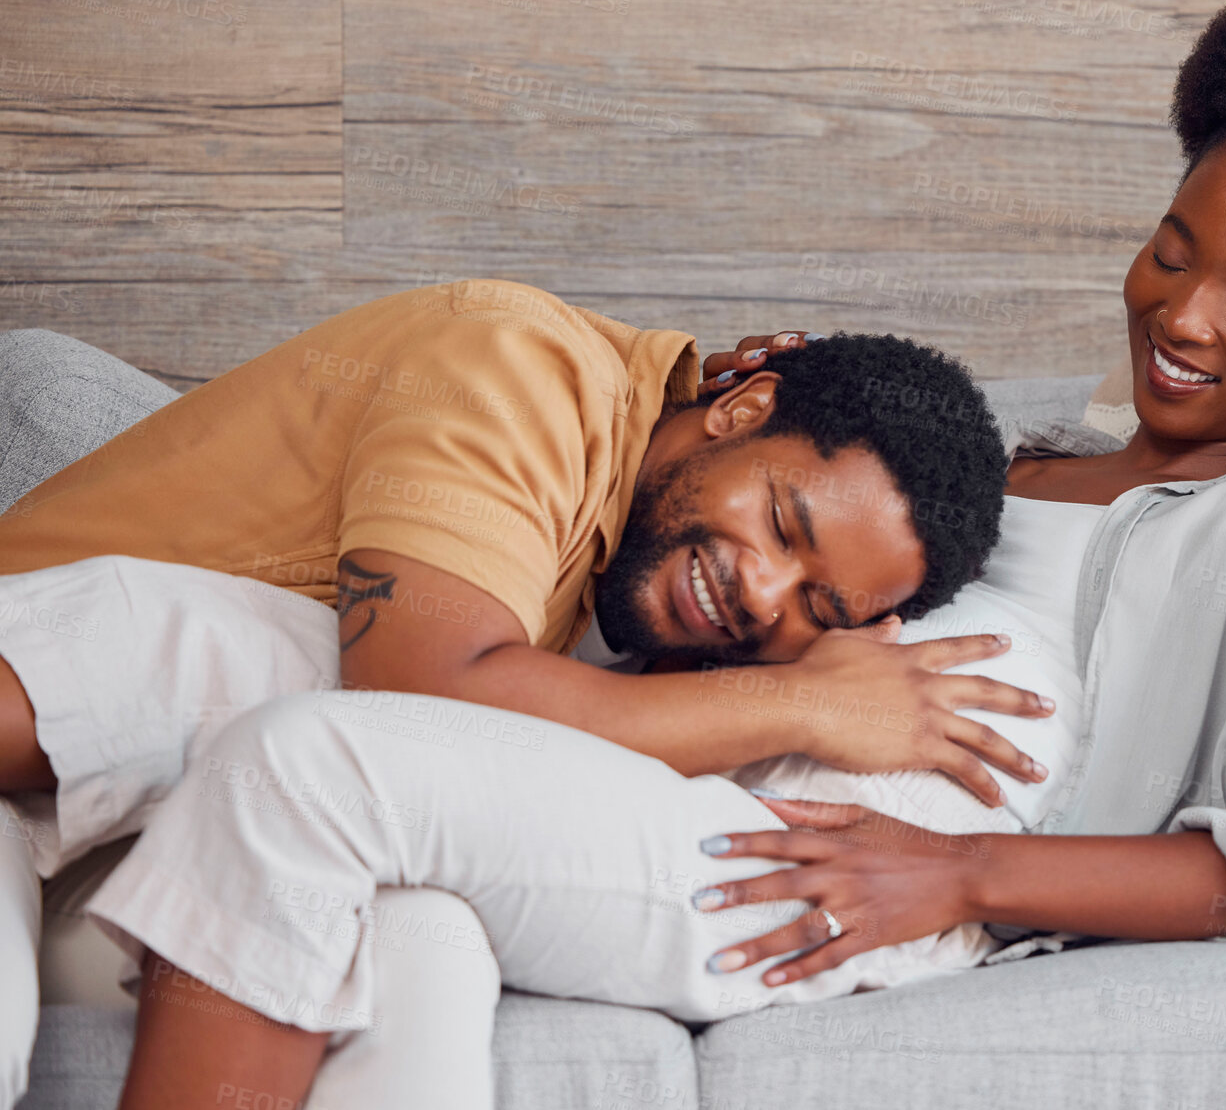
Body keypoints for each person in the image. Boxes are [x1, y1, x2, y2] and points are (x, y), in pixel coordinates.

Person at [75, 0, 1226, 1109]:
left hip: (839, 867)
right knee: (244, 672)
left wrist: (961, 881)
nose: (1181, 312)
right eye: (1173, 247)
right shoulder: (1007, 459)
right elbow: (749, 511)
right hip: (669, 756)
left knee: (305, 765)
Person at [0, 291, 1047, 1108]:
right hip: (37, 733)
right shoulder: (517, 366)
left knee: (433, 939)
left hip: (176, 839)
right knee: (332, 703)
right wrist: (806, 706)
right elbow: (413, 697)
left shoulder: (629, 617)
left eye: (816, 605)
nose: (760, 591)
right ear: (740, 407)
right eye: (781, 520)